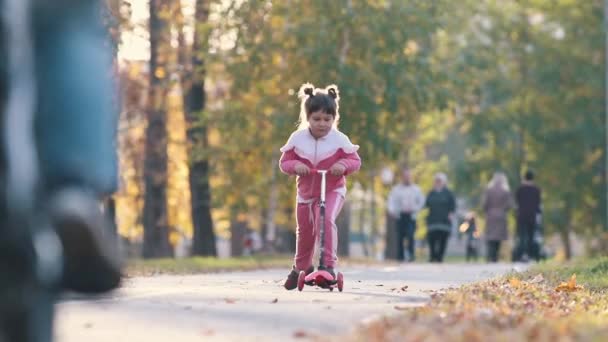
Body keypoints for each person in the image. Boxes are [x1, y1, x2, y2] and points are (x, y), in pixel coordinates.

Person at [279, 83, 361, 290]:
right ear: (307, 118)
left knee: (325, 220)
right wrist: (296, 165)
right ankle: (301, 268)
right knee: (305, 231)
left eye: (327, 119)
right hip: (306, 194)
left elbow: (355, 161)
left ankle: (328, 266)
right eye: (317, 119)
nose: (322, 124)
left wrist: (342, 165)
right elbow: (284, 162)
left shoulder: (339, 140)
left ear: (334, 119)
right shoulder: (298, 139)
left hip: (332, 190)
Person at [387, 168, 425, 262]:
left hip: (411, 216)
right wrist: (392, 211)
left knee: (411, 235)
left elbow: (421, 201)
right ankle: (400, 257)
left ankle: (411, 255)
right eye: (405, 176)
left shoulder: (416, 189)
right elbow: (391, 201)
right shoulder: (396, 189)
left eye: (408, 176)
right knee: (400, 236)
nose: (407, 178)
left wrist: (416, 209)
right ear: (402, 177)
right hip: (400, 215)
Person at [481, 172, 514, 263]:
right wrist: (504, 210)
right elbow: (510, 204)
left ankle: (490, 256)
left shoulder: (489, 190)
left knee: (490, 237)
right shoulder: (505, 191)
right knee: (498, 238)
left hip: (491, 215)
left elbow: (484, 203)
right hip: (501, 216)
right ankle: (495, 257)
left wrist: (487, 210)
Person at [424, 172, 455, 263]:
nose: (438, 182)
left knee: (443, 240)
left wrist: (451, 214)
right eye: (436, 181)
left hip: (444, 221)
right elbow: (426, 204)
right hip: (433, 220)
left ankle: (440, 257)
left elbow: (452, 206)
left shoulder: (448, 193)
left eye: (439, 181)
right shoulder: (431, 193)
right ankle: (432, 256)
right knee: (432, 240)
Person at [513, 170, 542, 262]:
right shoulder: (536, 190)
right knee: (531, 236)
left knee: (521, 236)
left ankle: (521, 255)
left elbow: (516, 203)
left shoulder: (520, 189)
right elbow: (538, 204)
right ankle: (530, 255)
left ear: (524, 178)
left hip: (521, 216)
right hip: (532, 216)